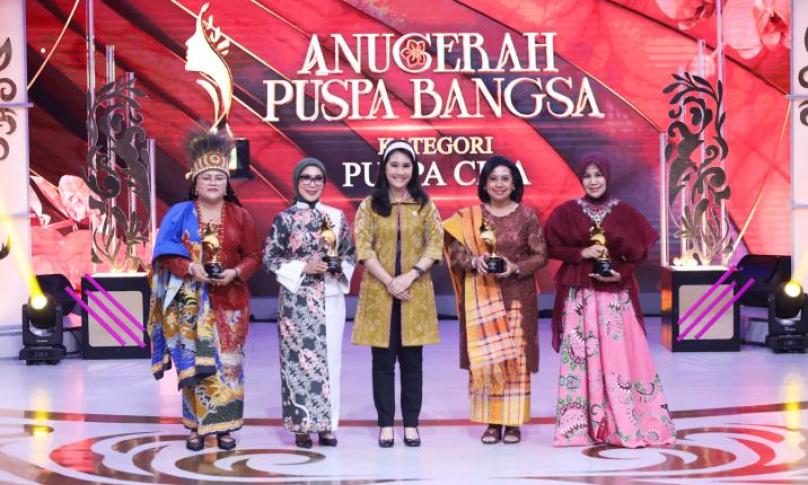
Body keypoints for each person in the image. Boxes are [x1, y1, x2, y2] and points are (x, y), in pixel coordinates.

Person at [545, 154, 675, 448]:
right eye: (587, 175)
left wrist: (620, 273)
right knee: (581, 358)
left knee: (618, 358)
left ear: (607, 176)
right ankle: (579, 428)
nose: (593, 181)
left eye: (598, 175)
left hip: (614, 298)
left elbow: (639, 254)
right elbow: (549, 247)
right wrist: (580, 253)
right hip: (580, 298)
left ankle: (622, 424)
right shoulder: (567, 212)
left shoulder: (624, 213)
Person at [148, 129, 261, 451]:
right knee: (194, 366)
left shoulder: (241, 216)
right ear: (195, 183)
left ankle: (225, 428)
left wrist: (235, 273)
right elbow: (163, 254)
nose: (213, 182)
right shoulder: (179, 213)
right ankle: (195, 427)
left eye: (219, 177)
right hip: (189, 305)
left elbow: (254, 256)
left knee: (229, 366)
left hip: (230, 303)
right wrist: (190, 268)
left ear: (227, 183)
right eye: (206, 177)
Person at [444, 156, 548, 445]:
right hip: (482, 296)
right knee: (488, 361)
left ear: (514, 184)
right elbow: (454, 252)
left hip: (517, 298)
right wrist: (473, 260)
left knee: (515, 361)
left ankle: (512, 423)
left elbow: (541, 255)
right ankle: (492, 422)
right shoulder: (470, 217)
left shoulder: (526, 216)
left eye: (505, 179)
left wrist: (515, 267)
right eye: (493, 179)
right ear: (484, 184)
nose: (499, 184)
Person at [352, 140, 443, 448]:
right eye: (394, 165)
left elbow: (435, 244)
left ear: (414, 170)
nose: (400, 171)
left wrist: (410, 275)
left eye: (406, 166)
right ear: (384, 168)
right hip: (380, 293)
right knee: (382, 363)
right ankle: (386, 424)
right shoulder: (370, 205)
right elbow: (364, 249)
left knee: (412, 363)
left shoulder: (425, 204)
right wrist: (391, 282)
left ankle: (412, 424)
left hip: (414, 292)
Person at [264, 158, 356, 448]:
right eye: (306, 177)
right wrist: (304, 267)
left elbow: (350, 254)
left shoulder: (336, 217)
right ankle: (301, 427)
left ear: (324, 182)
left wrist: (337, 266)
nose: (312, 183)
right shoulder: (284, 219)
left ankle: (327, 426)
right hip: (296, 302)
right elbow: (270, 258)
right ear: (297, 181)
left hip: (330, 299)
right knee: (296, 364)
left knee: (330, 363)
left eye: (318, 178)